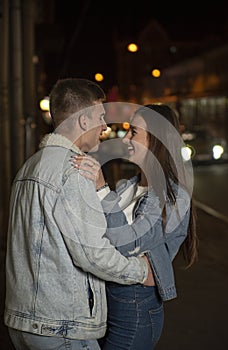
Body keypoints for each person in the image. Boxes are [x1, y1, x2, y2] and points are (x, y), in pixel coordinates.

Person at [4, 78, 155, 350]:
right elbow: (93, 253)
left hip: (22, 323)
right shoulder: (74, 171)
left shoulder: (28, 168)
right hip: (62, 327)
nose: (105, 127)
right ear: (84, 121)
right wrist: (141, 270)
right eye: (100, 117)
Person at [72, 103, 198, 349]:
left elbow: (129, 244)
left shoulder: (173, 195)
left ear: (156, 141)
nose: (126, 138)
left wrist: (101, 188)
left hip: (136, 309)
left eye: (134, 133)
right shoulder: (127, 186)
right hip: (107, 302)